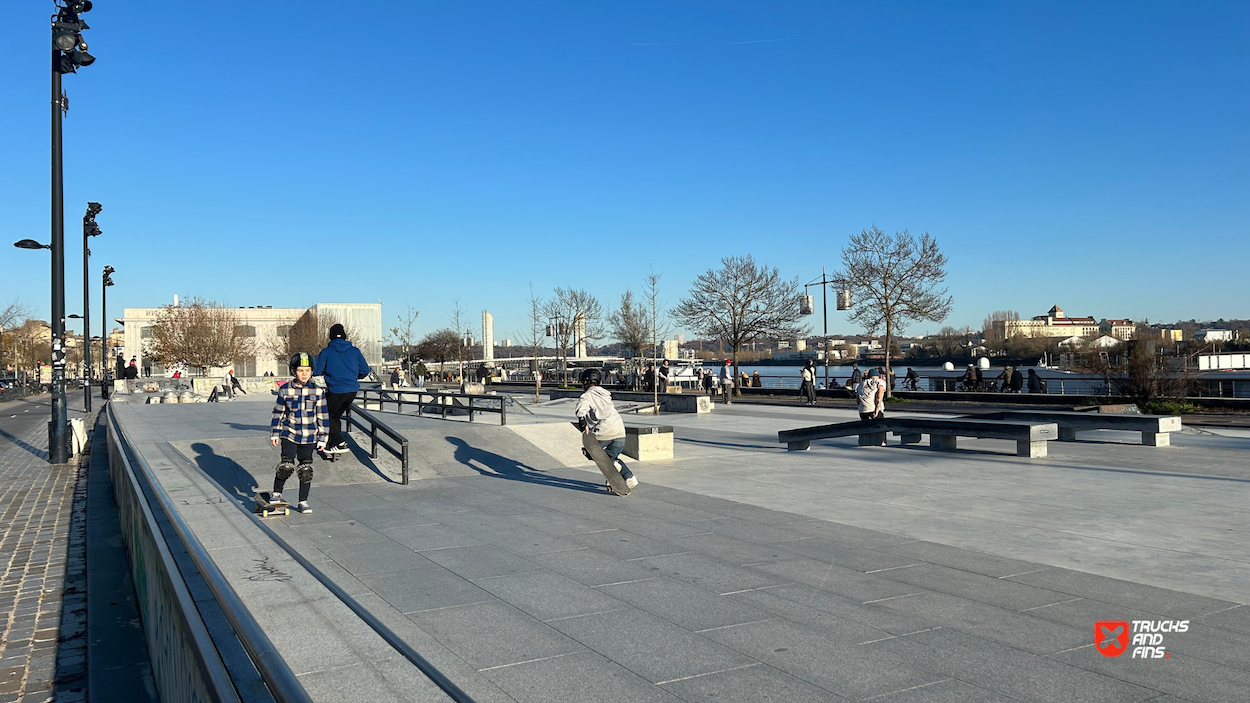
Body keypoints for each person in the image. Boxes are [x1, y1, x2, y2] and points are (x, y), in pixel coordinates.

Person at [268, 352, 327, 514]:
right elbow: (278, 412)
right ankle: (276, 493)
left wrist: (323, 438)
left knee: (305, 469)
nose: (304, 374)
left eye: (307, 371)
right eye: (301, 370)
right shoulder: (285, 390)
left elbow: (322, 415)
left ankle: (303, 501)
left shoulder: (318, 391)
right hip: (290, 433)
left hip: (309, 435)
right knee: (286, 466)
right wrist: (275, 432)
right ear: (294, 371)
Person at [575, 368, 638, 492]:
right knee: (610, 458)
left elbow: (581, 409)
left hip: (604, 431)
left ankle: (614, 466)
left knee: (590, 452)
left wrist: (582, 422)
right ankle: (629, 477)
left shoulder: (587, 395)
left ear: (586, 382)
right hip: (620, 431)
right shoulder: (605, 394)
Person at [314, 323, 371, 454]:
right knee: (335, 415)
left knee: (327, 414)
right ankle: (334, 440)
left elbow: (316, 370)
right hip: (352, 390)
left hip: (335, 389)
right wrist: (352, 377)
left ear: (331, 337)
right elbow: (365, 370)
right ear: (344, 336)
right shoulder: (354, 351)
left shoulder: (326, 352)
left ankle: (338, 442)